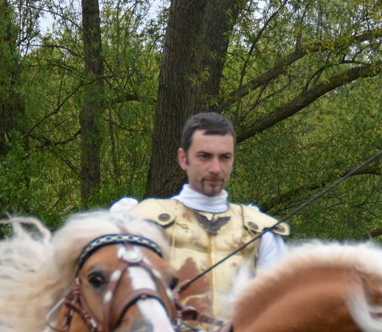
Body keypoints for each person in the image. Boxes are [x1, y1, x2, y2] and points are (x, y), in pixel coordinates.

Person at [115, 112, 289, 315]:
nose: (215, 168)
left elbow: (279, 311)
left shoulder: (261, 230)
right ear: (183, 158)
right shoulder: (142, 221)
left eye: (224, 157)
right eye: (204, 156)